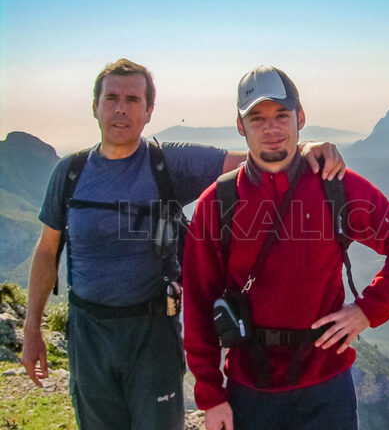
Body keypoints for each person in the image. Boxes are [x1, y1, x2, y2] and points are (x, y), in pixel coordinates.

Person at [20, 58, 345, 430]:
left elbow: (253, 158)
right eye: (111, 98)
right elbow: (47, 251)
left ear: (148, 112)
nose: (121, 108)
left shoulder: (167, 162)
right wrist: (32, 332)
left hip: (153, 333)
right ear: (95, 106)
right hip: (87, 332)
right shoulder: (70, 173)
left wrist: (305, 149)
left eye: (132, 99)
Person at [183, 65, 389, 430]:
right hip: (250, 392)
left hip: (326, 389)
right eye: (257, 118)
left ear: (300, 117)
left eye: (282, 115)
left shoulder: (337, 187)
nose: (271, 129)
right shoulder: (218, 203)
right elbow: (199, 305)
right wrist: (212, 397)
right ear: (240, 126)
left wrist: (367, 310)